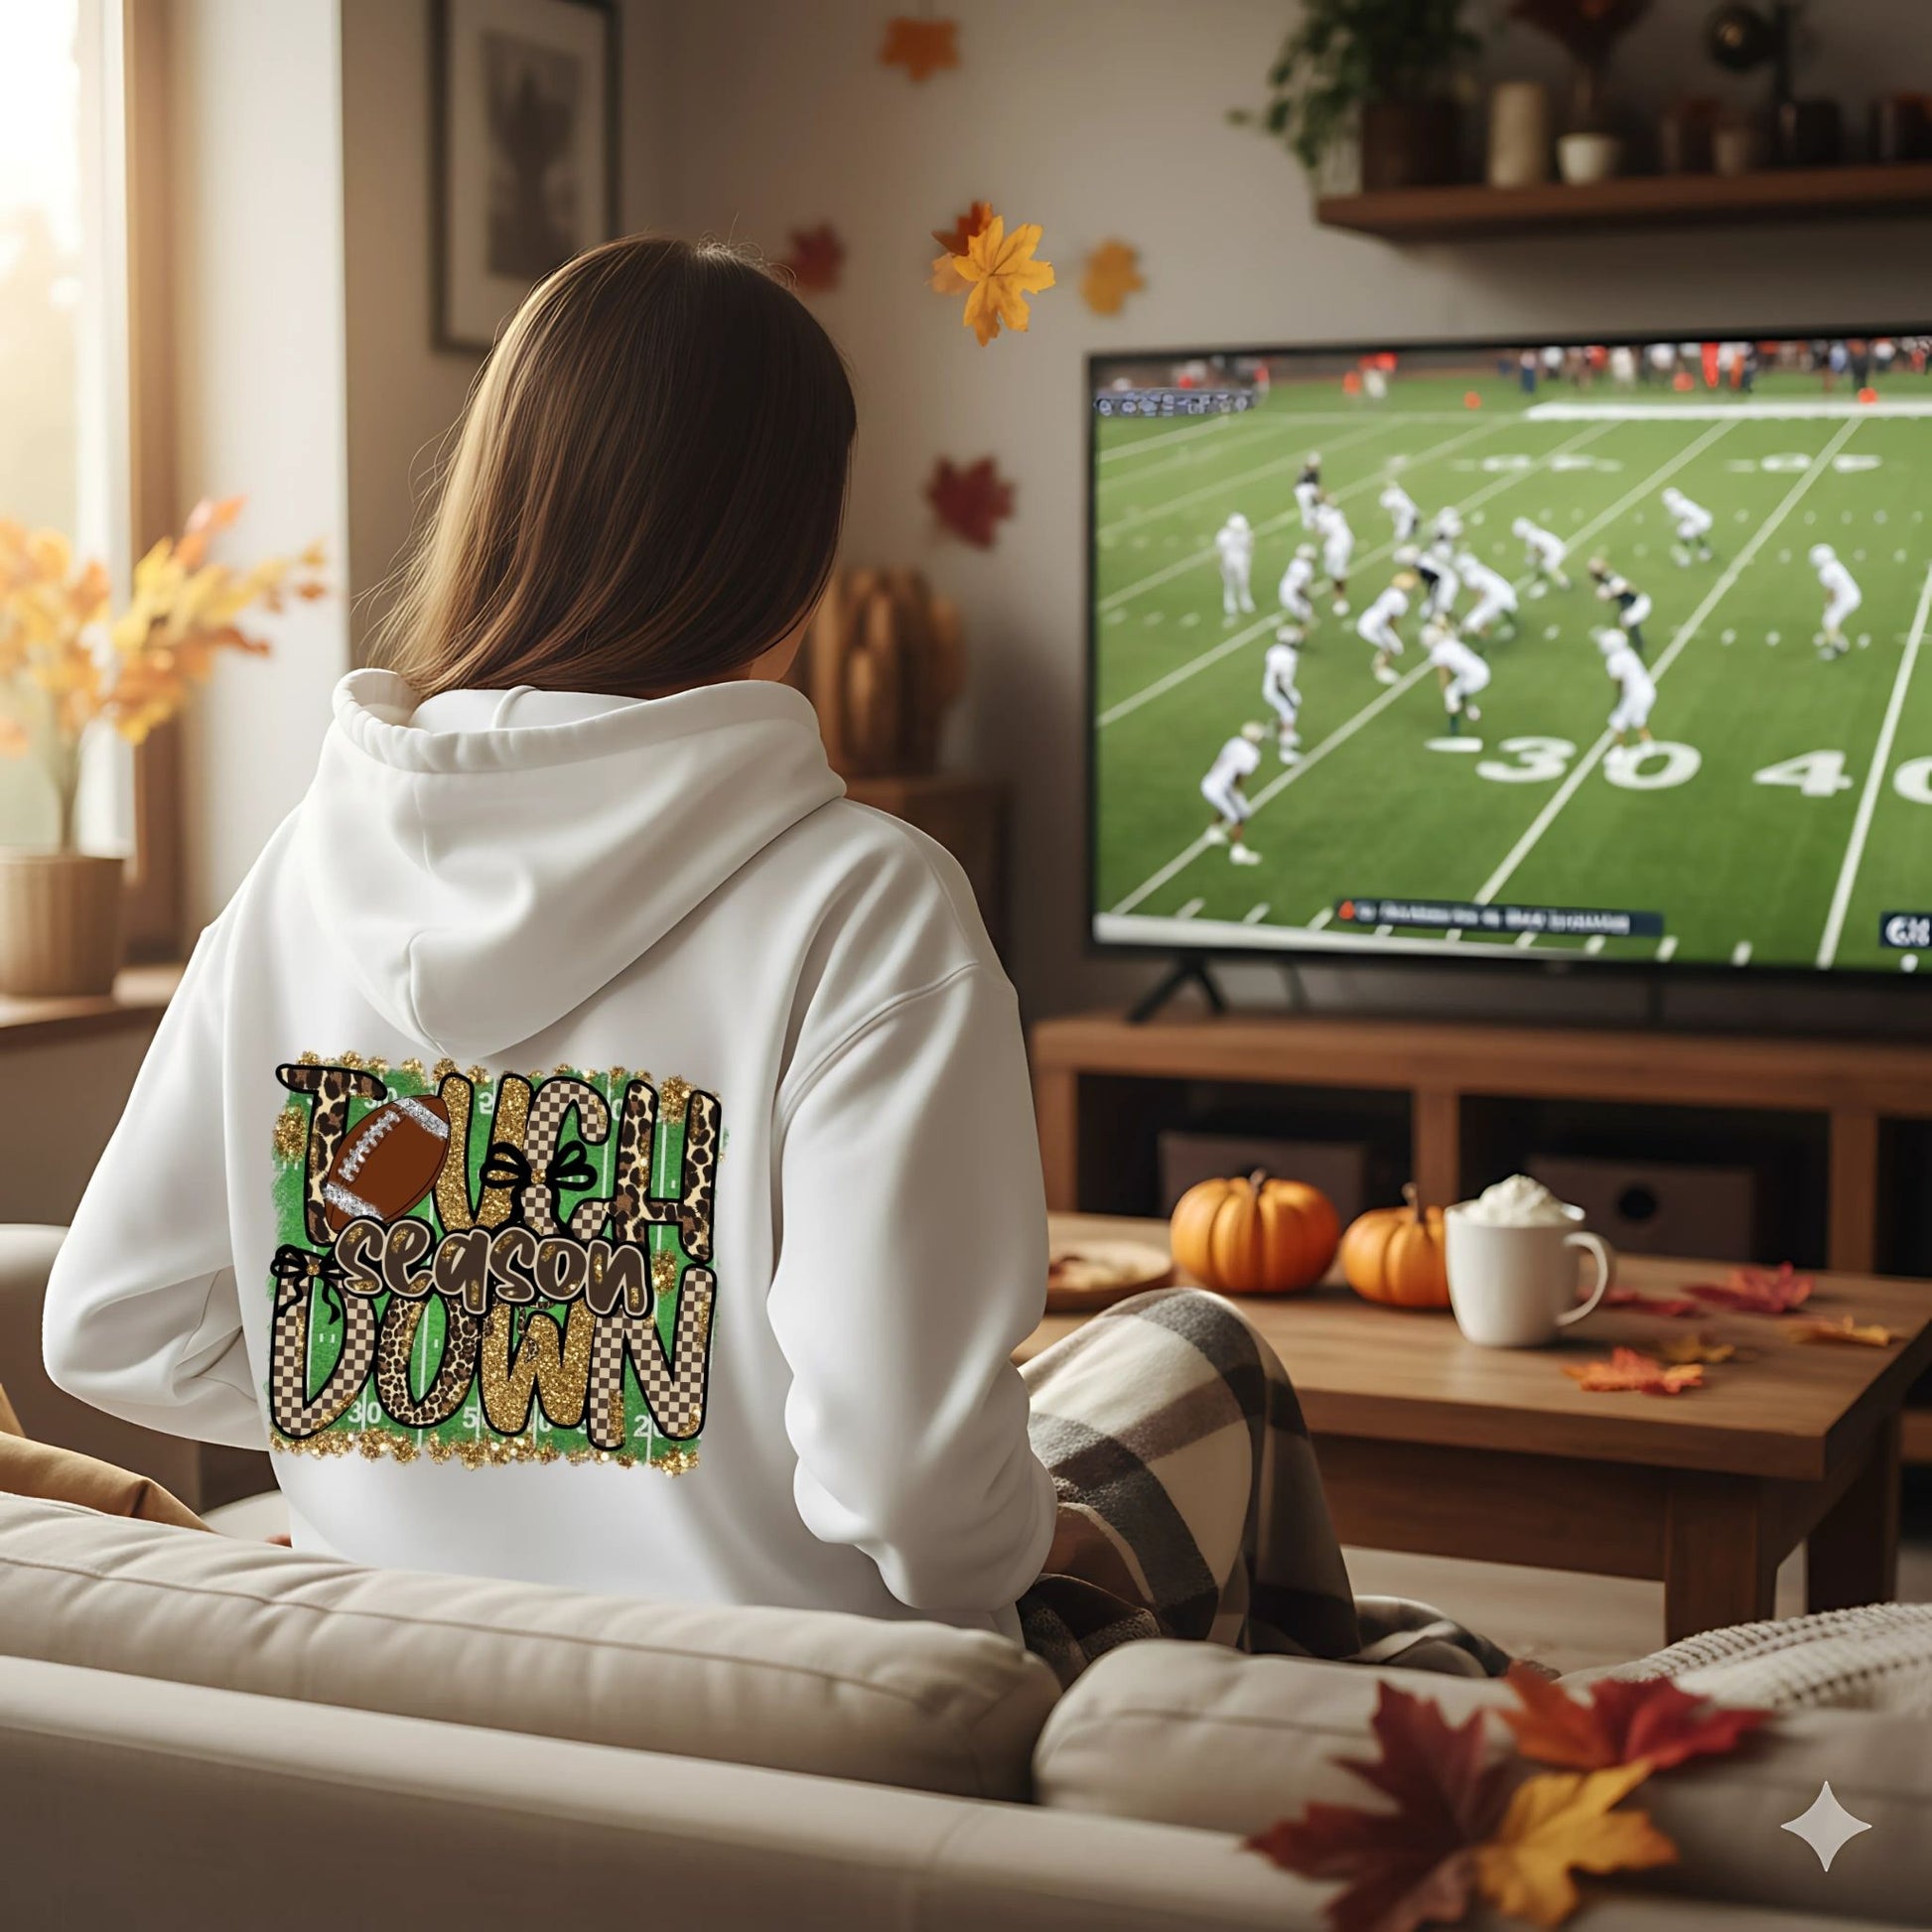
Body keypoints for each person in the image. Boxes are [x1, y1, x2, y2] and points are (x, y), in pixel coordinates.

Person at [40, 236, 1503, 1695]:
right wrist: (1018, 1536)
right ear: (794, 550)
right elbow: (914, 1494)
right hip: (831, 1710)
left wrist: (427, 1422)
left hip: (422, 1701)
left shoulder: (297, 873)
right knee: (1200, 1345)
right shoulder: (868, 906)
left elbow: (119, 1322)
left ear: (496, 503)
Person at [1200, 722, 1268, 863]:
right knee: (1238, 817)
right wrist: (1237, 792)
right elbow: (1240, 776)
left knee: (1228, 808)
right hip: (1218, 788)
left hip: (1211, 781)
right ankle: (1238, 852)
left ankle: (1213, 832)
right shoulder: (1252, 755)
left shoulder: (1234, 742)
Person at [1425, 619, 1488, 737]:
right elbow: (1444, 626)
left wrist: (1447, 695)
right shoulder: (1449, 641)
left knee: (1451, 694)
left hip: (1476, 678)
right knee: (1459, 688)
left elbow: (1444, 676)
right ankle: (1469, 710)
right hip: (1481, 668)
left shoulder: (1438, 652)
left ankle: (1454, 728)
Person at [1598, 625, 1656, 749]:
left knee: (1617, 721)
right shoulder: (1628, 652)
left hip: (1635, 695)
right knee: (1638, 718)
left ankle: (1619, 750)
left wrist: (1621, 694)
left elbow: (1618, 681)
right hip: (1647, 689)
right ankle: (1648, 744)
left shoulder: (1613, 661)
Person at [1356, 572, 1413, 686]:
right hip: (1373, 626)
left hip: (1371, 618)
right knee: (1390, 646)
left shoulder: (1390, 591)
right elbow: (1392, 619)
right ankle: (1381, 670)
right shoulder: (1401, 600)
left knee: (1394, 646)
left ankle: (1381, 661)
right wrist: (1394, 633)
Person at [1591, 557, 1653, 657]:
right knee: (1629, 625)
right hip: (1630, 605)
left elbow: (1627, 588)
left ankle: (1624, 647)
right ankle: (1638, 643)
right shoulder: (1607, 579)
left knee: (1623, 626)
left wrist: (1612, 594)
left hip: (1634, 605)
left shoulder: (1611, 579)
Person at [1811, 543, 1863, 658]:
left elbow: (1831, 592)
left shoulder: (1825, 573)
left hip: (1847, 600)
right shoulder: (1835, 565)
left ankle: (1838, 647)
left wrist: (1828, 604)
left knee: (1829, 621)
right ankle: (1837, 640)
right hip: (1851, 595)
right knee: (1831, 620)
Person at [1455, 550, 1519, 642]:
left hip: (1497, 600)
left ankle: (1484, 643)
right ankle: (1512, 624)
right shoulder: (1479, 568)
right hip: (1508, 593)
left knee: (1470, 622)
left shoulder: (1470, 577)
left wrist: (1477, 610)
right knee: (1483, 613)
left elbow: (1480, 597)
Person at [1262, 629, 1304, 760]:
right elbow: (1278, 679)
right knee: (1290, 714)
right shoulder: (1289, 657)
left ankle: (1280, 729)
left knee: (1295, 703)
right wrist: (1286, 696)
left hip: (1270, 686)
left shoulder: (1274, 650)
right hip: (1277, 690)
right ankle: (1285, 752)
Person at [1312, 495, 1353, 615]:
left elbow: (1319, 533)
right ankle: (1336, 592)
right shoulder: (1335, 512)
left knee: (1338, 573)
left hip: (1339, 546)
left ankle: (1340, 600)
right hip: (1339, 541)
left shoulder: (1320, 516)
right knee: (1331, 569)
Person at [1513, 514, 1571, 593]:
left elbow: (1539, 551)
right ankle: (1540, 577)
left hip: (1555, 551)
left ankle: (1563, 582)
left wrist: (1534, 558)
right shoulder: (1533, 532)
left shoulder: (1530, 538)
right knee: (1535, 561)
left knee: (1547, 565)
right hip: (1557, 546)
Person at [1661, 485, 1716, 566]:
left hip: (1699, 522)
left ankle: (1686, 559)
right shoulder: (1684, 502)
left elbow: (1685, 518)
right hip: (1704, 517)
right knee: (1694, 533)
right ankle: (1705, 551)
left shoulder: (1677, 507)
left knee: (1682, 534)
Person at [1216, 510, 1256, 620]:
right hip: (1228, 560)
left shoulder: (1246, 534)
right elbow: (1220, 551)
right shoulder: (1223, 536)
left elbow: (1249, 548)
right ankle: (1230, 603)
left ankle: (1245, 601)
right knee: (1229, 583)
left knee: (1244, 581)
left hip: (1242, 560)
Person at [1277, 542, 1317, 638]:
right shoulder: (1307, 569)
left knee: (1305, 610)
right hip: (1291, 594)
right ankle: (1298, 634)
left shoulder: (1295, 562)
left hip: (1284, 588)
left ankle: (1302, 629)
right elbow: (1300, 589)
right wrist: (1307, 598)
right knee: (1305, 611)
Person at [1379, 478, 1420, 546]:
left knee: (1401, 534)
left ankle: (1406, 541)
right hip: (1402, 513)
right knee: (1401, 531)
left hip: (1405, 513)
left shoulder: (1396, 495)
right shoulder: (1393, 496)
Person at [1294, 454, 1322, 530]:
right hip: (1302, 490)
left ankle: (1312, 519)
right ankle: (1307, 523)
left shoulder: (1310, 471)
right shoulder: (1308, 471)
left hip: (1304, 490)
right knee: (1306, 507)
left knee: (1309, 506)